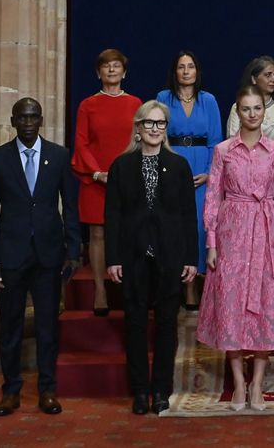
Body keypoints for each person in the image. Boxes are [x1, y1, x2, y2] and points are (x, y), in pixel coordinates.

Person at [197, 86, 274, 412]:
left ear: (263, 112)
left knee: (265, 307)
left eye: (257, 108)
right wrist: (211, 242)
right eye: (246, 109)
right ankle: (238, 382)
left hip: (266, 235)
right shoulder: (224, 150)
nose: (252, 114)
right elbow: (213, 198)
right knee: (231, 305)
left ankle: (258, 384)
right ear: (237, 112)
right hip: (232, 235)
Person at [0, 98, 81, 417]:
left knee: (47, 326)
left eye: (33, 116)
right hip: (10, 257)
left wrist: (74, 251)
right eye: (22, 117)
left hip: (50, 256)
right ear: (12, 121)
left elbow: (71, 208)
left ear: (41, 120)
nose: (27, 122)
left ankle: (48, 390)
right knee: (10, 326)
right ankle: (10, 391)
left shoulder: (60, 156)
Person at [105, 101, 199, 415]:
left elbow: (189, 216)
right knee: (134, 326)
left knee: (166, 326)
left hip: (169, 258)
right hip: (132, 258)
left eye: (160, 124)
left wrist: (190, 258)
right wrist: (113, 258)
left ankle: (161, 390)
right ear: (138, 127)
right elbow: (113, 216)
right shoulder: (121, 166)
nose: (155, 129)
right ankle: (140, 391)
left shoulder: (179, 165)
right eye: (149, 123)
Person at [71, 48, 141, 316]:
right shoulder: (88, 104)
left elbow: (139, 140)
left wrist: (124, 171)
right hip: (96, 179)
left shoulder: (135, 103)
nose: (111, 70)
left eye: (116, 66)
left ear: (124, 72)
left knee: (129, 233)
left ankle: (127, 288)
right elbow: (81, 142)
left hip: (127, 178)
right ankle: (100, 290)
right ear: (98, 72)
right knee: (97, 234)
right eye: (106, 66)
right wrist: (97, 172)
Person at [156, 50, 222, 310]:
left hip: (201, 172)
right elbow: (158, 135)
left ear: (197, 71)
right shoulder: (163, 98)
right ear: (175, 72)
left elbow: (216, 141)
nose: (186, 71)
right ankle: (177, 285)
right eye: (181, 67)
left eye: (190, 66)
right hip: (172, 165)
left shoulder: (209, 100)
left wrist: (209, 173)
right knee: (174, 226)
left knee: (200, 227)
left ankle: (196, 286)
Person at [226, 56, 274, 204]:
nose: (273, 79)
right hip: (245, 183)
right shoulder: (238, 108)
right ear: (254, 79)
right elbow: (232, 143)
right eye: (267, 75)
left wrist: (271, 153)